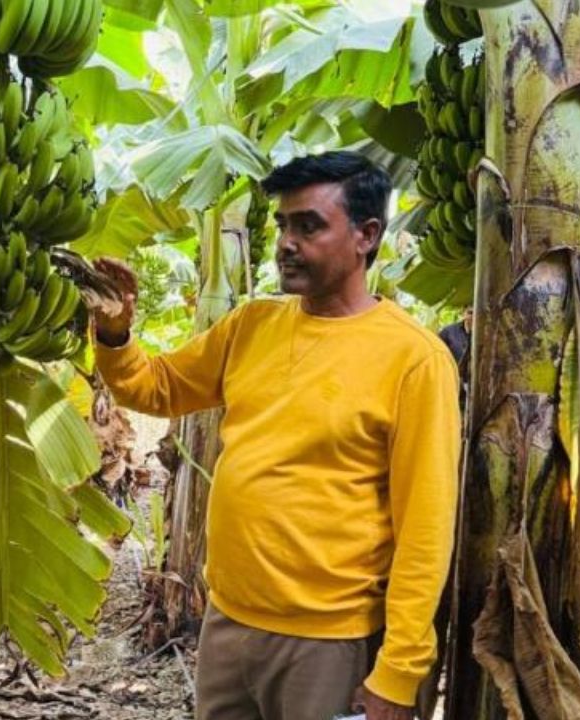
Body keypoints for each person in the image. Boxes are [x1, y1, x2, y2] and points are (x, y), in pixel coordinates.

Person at [90, 151, 460, 720]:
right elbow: (155, 389)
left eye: (308, 225)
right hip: (228, 625)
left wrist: (399, 670)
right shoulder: (252, 326)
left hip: (328, 643)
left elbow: (425, 531)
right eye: (284, 224)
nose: (286, 241)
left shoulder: (414, 359)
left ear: (366, 236)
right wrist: (116, 334)